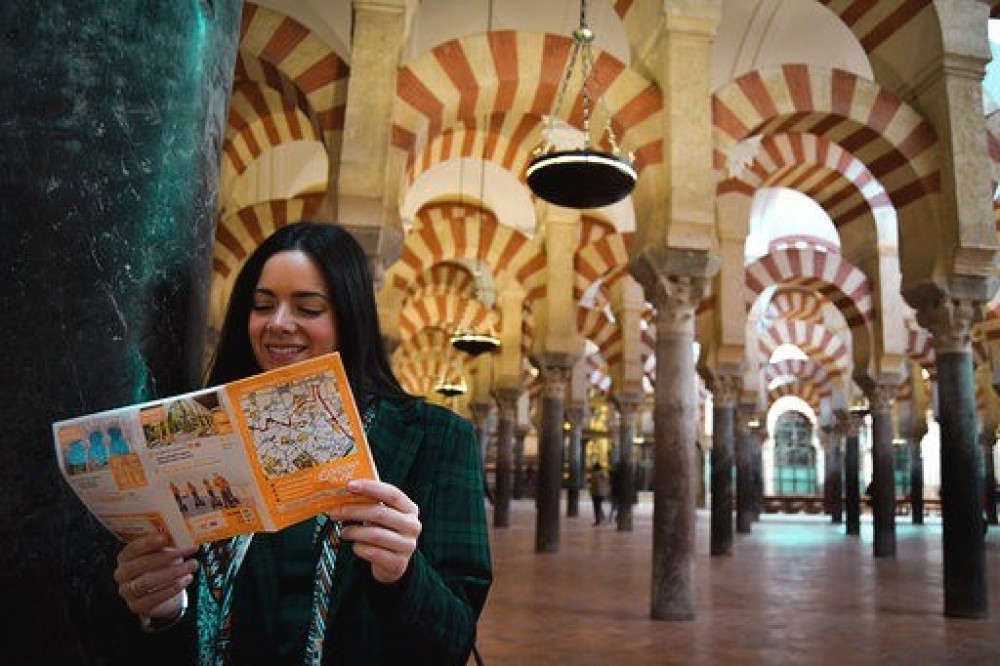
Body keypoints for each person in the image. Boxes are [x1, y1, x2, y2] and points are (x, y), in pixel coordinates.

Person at [113, 221, 492, 664]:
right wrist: (161, 609)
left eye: (308, 308)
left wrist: (403, 575)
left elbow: (454, 640)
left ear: (350, 317)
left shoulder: (436, 438)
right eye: (262, 305)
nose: (278, 323)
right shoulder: (205, 436)